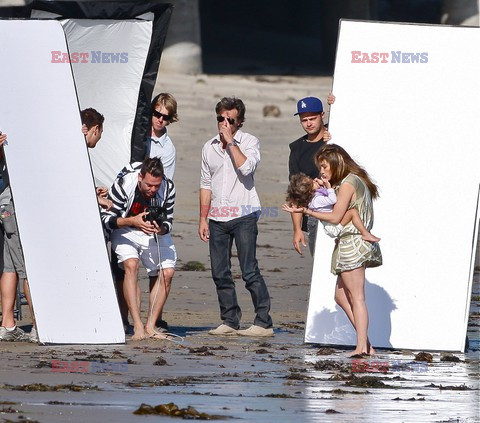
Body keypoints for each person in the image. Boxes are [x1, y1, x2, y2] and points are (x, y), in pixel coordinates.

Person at [283, 144, 382, 355]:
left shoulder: (348, 184)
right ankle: (367, 344)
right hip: (347, 241)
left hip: (352, 242)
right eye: (320, 167)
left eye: (325, 166)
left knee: (357, 298)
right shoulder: (348, 182)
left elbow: (336, 217)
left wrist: (307, 210)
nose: (322, 171)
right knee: (340, 296)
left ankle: (362, 347)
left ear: (336, 163)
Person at [198, 97, 273, 337]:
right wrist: (203, 218)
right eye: (220, 118)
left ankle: (263, 321)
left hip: (244, 214)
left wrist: (231, 142)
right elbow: (205, 183)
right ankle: (230, 320)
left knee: (249, 270)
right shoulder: (208, 147)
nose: (224, 123)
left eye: (230, 119)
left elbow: (246, 167)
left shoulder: (250, 141)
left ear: (239, 122)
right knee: (220, 272)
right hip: (217, 217)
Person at [101, 157, 176, 341]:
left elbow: (169, 220)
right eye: (149, 185)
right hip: (126, 227)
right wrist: (132, 221)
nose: (153, 190)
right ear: (140, 177)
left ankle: (151, 325)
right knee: (131, 265)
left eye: (156, 186)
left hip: (152, 230)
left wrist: (162, 228)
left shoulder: (168, 187)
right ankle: (137, 326)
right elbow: (106, 219)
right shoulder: (123, 185)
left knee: (167, 272)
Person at [0, 132, 36, 342]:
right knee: (26, 267)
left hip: (6, 204)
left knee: (10, 266)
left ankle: (7, 324)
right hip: (10, 203)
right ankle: (39, 324)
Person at [288, 94, 334, 256]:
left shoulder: (336, 133)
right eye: (304, 120)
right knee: (321, 268)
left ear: (322, 115)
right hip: (315, 217)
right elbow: (296, 193)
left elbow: (356, 117)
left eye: (312, 119)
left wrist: (336, 102)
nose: (308, 124)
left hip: (343, 212)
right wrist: (297, 229)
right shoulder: (297, 150)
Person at [286, 173, 380, 242]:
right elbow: (332, 199)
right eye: (312, 182)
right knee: (353, 212)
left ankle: (342, 237)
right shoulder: (316, 201)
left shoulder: (315, 197)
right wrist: (328, 187)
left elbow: (323, 193)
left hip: (331, 225)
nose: (315, 179)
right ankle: (365, 233)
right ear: (310, 191)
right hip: (332, 227)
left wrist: (322, 185)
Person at [80, 108, 112, 210]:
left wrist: (93, 191)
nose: (100, 136)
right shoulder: (77, 153)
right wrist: (96, 198)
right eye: (101, 132)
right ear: (96, 129)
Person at [144, 93, 178, 180]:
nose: (160, 120)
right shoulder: (137, 132)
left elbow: (165, 182)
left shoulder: (168, 149)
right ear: (151, 112)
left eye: (165, 117)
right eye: (157, 114)